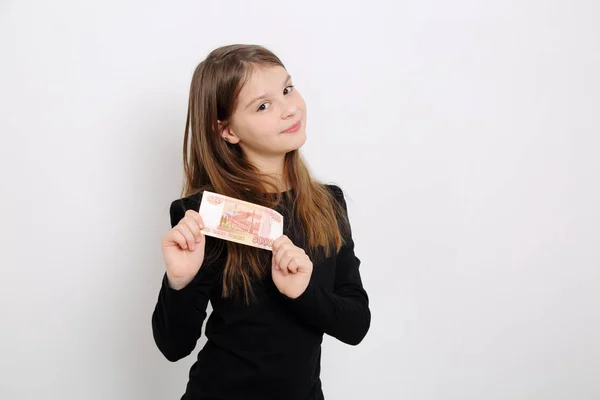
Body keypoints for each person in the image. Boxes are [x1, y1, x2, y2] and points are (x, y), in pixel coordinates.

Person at [151, 44, 371, 400]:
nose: (289, 109)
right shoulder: (203, 212)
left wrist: (303, 292)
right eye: (263, 105)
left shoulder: (328, 203)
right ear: (227, 131)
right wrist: (180, 282)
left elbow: (356, 323)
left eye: (287, 89)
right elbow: (173, 346)